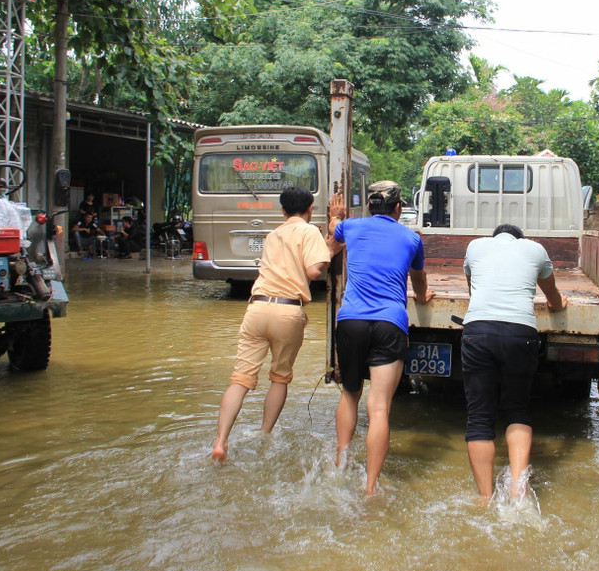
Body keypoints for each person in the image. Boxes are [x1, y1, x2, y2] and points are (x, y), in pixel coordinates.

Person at [327, 181, 435, 496]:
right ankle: (371, 488)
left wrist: (336, 216)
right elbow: (418, 280)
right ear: (399, 209)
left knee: (349, 395)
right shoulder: (412, 238)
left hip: (352, 322)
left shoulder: (351, 227)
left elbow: (334, 232)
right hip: (389, 323)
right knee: (379, 408)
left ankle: (340, 466)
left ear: (370, 207)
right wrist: (424, 295)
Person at [210, 187, 330, 462]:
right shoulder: (309, 232)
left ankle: (220, 441)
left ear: (283, 211)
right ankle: (264, 434)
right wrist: (329, 250)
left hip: (257, 307)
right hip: (288, 311)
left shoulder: (274, 234)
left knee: (239, 379)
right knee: (279, 376)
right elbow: (313, 271)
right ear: (310, 209)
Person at [461, 223, 567, 501]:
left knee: (480, 418)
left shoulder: (475, 246)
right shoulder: (536, 250)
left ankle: (485, 498)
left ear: (495, 236)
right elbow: (551, 292)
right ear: (521, 238)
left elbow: (473, 286)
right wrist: (558, 304)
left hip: (478, 331)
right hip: (521, 333)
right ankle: (518, 488)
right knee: (517, 409)